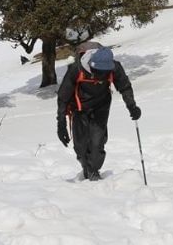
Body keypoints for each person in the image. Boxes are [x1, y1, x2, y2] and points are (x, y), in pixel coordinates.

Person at [56, 42, 141, 181]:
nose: (100, 76)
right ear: (92, 64)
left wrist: (132, 106)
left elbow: (124, 87)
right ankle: (85, 166)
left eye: (104, 73)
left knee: (97, 141)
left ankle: (94, 170)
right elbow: (63, 98)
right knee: (80, 144)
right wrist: (61, 125)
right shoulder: (77, 70)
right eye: (98, 72)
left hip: (101, 104)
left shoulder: (114, 67)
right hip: (79, 107)